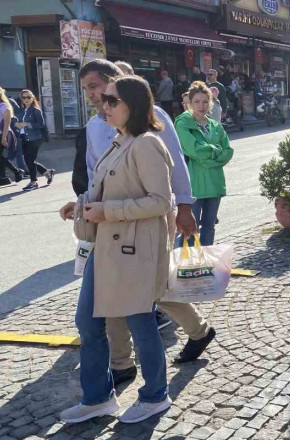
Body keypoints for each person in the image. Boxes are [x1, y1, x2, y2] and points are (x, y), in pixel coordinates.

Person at [76, 60, 214, 385]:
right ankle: (125, 360)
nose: (93, 95)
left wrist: (184, 206)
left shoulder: (149, 119)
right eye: (87, 89)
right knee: (130, 292)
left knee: (147, 289)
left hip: (143, 220)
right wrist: (84, 203)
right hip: (109, 223)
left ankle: (139, 372)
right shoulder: (96, 125)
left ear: (114, 84)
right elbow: (94, 169)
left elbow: (173, 166)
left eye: (96, 87)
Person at [58, 75, 173, 424]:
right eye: (103, 98)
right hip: (108, 247)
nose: (103, 104)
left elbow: (160, 201)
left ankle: (156, 395)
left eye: (111, 100)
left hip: (133, 250)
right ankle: (98, 397)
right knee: (88, 321)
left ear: (132, 106)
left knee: (140, 323)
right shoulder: (119, 140)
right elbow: (108, 188)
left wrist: (108, 212)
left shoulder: (147, 143)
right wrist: (81, 205)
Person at [175, 82, 233, 246]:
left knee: (209, 226)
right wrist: (216, 152)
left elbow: (228, 151)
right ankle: (186, 265)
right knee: (190, 228)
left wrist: (209, 155)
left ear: (211, 103)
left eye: (205, 102)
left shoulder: (215, 126)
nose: (201, 106)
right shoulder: (183, 123)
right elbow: (193, 150)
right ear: (190, 103)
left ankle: (206, 262)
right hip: (194, 184)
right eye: (197, 102)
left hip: (215, 183)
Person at [14, 89, 54, 190]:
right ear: (21, 99)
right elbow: (16, 121)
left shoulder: (36, 110)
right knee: (29, 160)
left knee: (29, 160)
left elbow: (41, 124)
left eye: (29, 97)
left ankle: (33, 182)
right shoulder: (22, 111)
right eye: (24, 97)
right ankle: (47, 172)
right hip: (24, 138)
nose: (26, 99)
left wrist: (27, 124)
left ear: (33, 98)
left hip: (35, 138)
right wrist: (16, 124)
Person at [0, 85, 23, 187]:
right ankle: (4, 177)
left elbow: (7, 122)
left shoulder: (4, 106)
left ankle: (16, 171)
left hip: (0, 134)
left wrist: (4, 137)